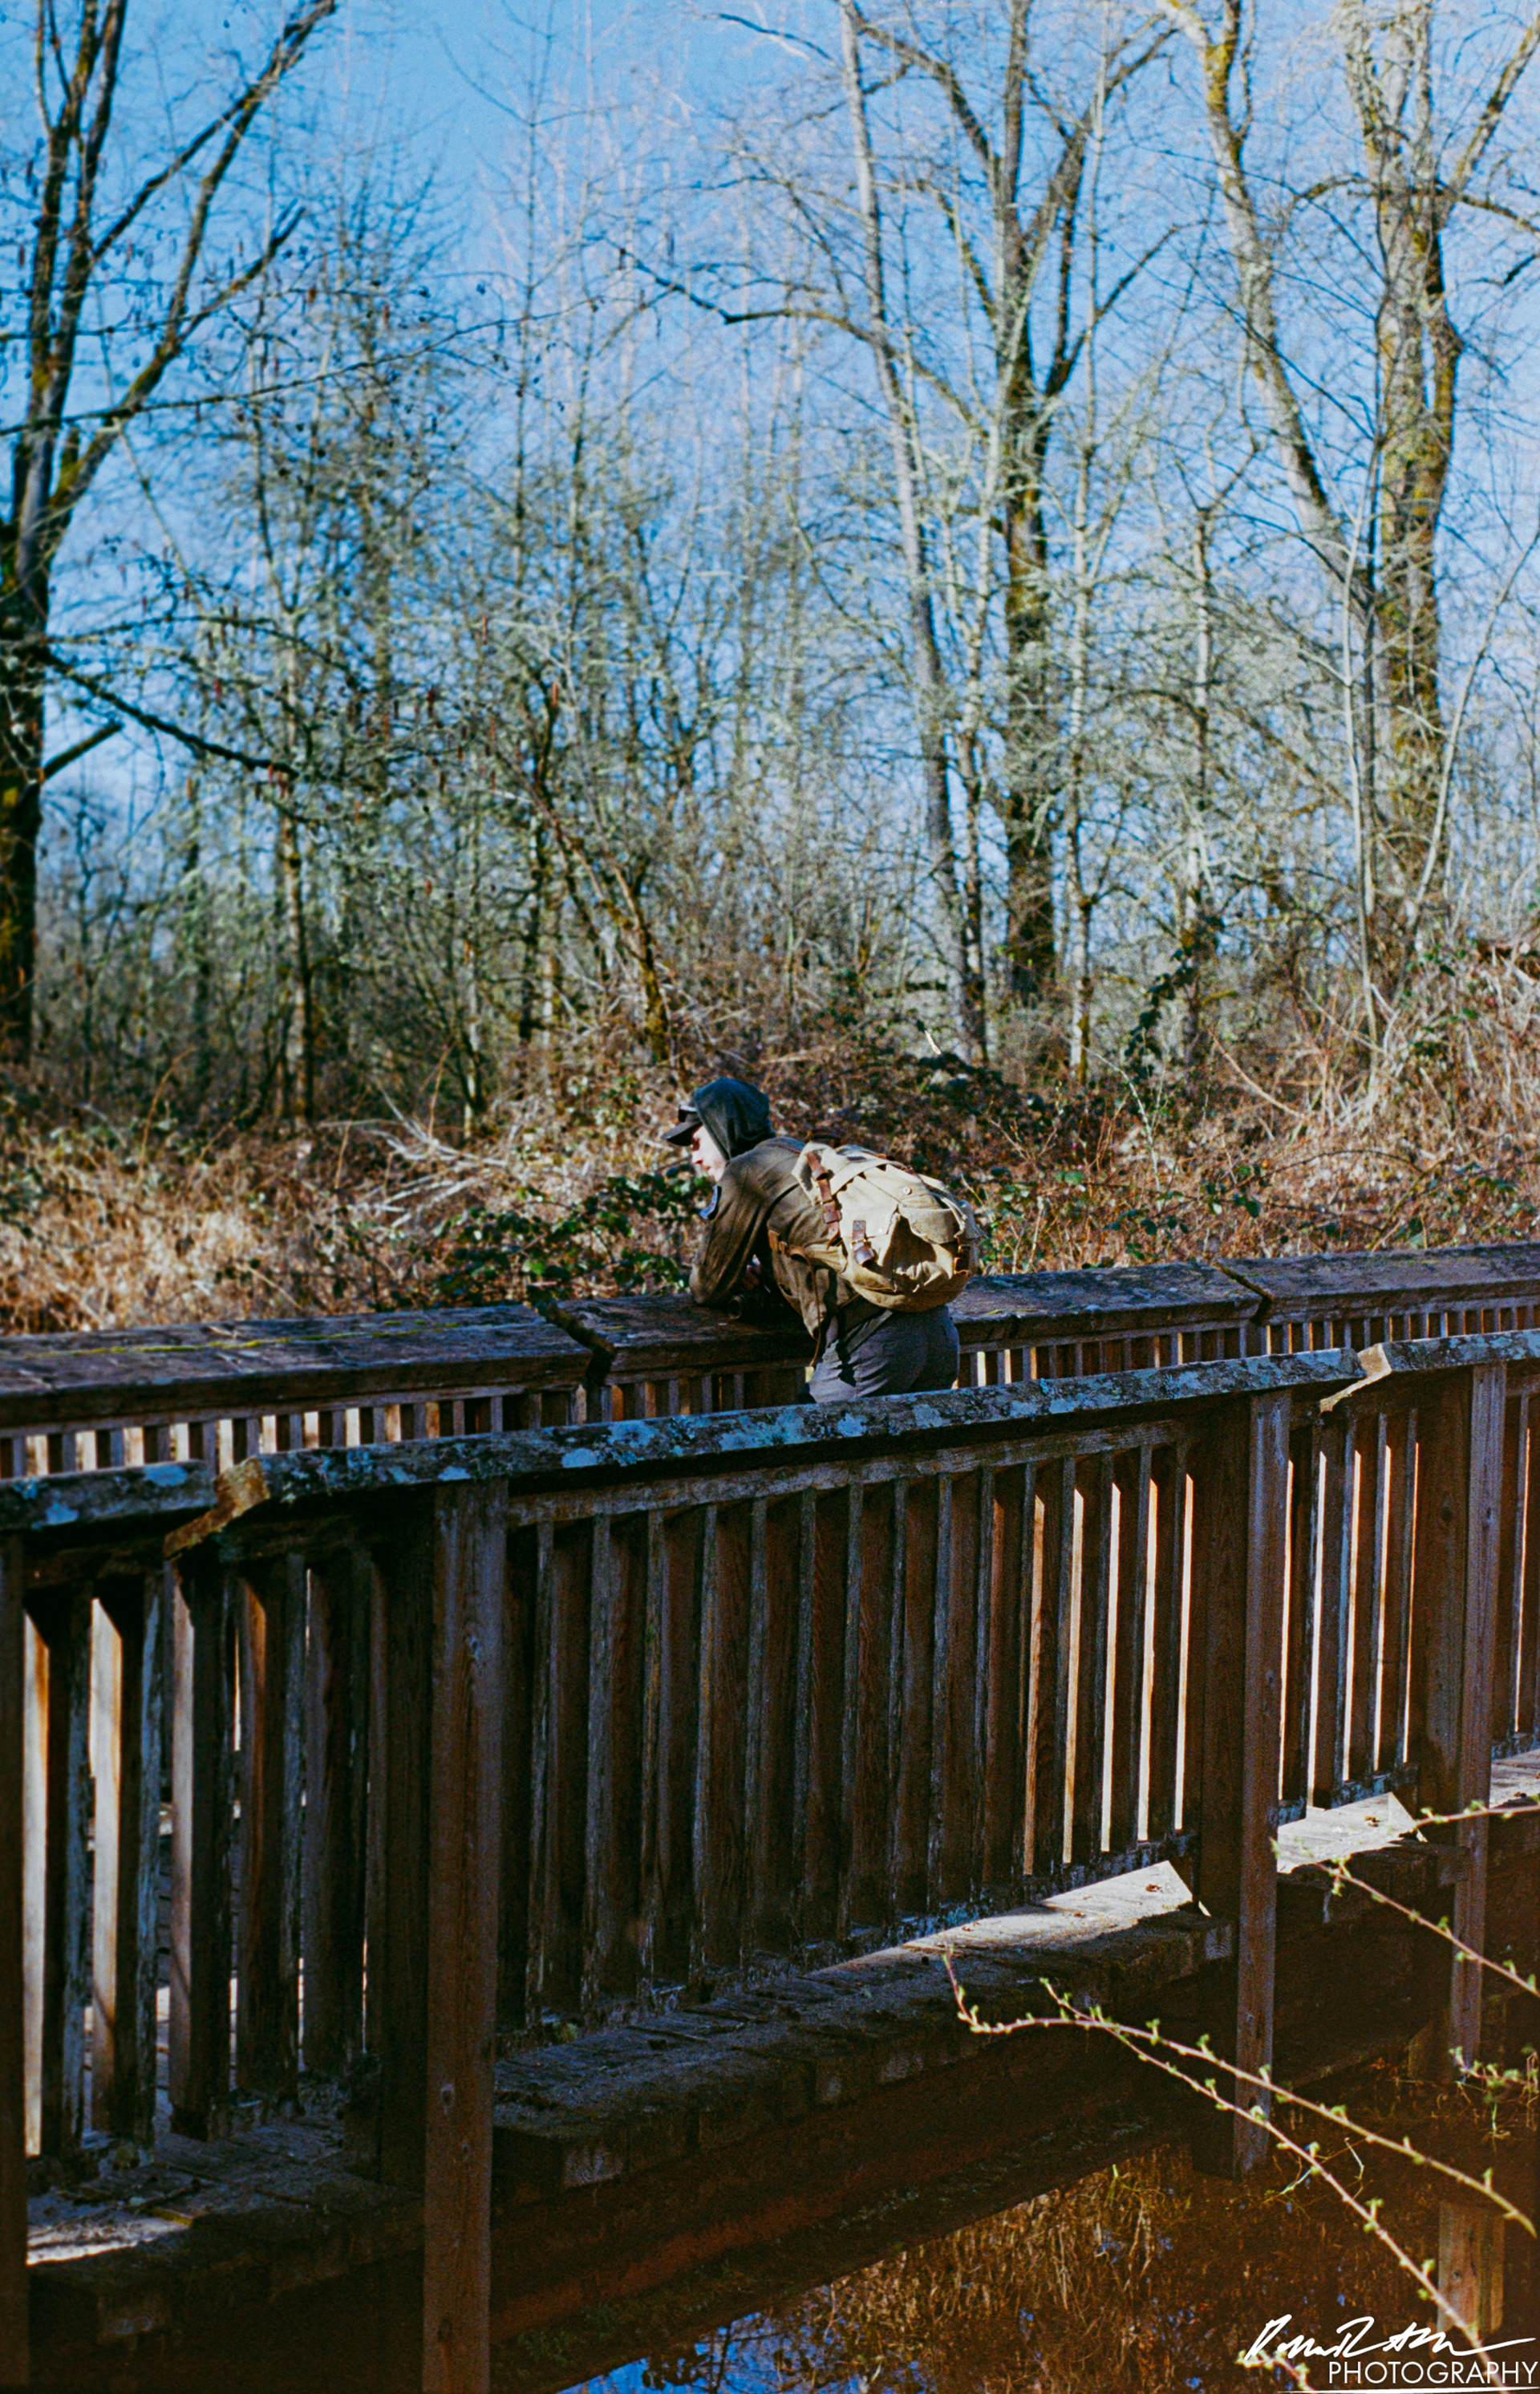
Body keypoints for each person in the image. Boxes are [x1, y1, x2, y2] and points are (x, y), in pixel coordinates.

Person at [662, 1076, 960, 1402]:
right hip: (937, 1331)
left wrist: (734, 1278)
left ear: (722, 1128)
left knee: (804, 1435)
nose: (695, 1158)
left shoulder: (748, 1171)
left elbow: (707, 1285)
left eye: (697, 1142)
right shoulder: (803, 1157)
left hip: (875, 1343)